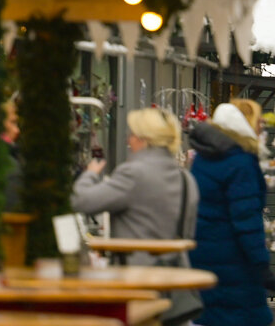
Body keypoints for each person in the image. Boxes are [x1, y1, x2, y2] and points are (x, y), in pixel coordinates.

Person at [74, 108, 200, 324]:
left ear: (144, 139)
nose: (128, 140)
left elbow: (81, 201)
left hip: (138, 282)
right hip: (176, 282)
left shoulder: (133, 174)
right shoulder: (186, 180)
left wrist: (89, 175)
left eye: (131, 134)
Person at [188, 103, 275, 326]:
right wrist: (261, 264)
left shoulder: (203, 157)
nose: (261, 128)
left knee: (210, 315)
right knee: (242, 316)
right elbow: (246, 220)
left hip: (203, 252)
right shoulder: (240, 162)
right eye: (258, 122)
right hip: (234, 260)